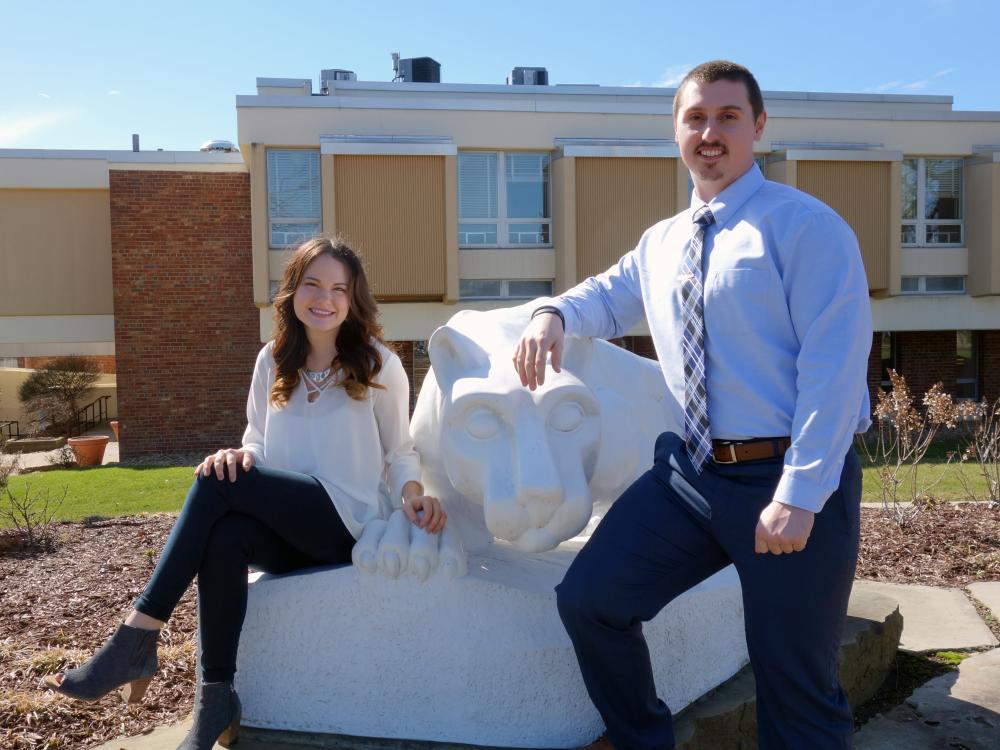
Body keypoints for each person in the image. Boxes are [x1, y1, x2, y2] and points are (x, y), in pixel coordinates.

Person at [513, 60, 872, 750]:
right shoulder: (663, 241)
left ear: (759, 127)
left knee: (795, 687)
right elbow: (603, 296)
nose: (711, 132)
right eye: (696, 118)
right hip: (692, 477)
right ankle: (642, 738)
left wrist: (801, 493)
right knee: (591, 601)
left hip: (787, 481)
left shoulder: (805, 228)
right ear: (676, 131)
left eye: (728, 116)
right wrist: (550, 314)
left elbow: (834, 369)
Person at [39, 236, 446, 750]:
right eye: (313, 284)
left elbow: (401, 450)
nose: (325, 298)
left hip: (347, 524)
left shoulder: (376, 363)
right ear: (293, 290)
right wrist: (241, 456)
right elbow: (257, 437)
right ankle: (216, 697)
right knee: (226, 532)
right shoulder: (273, 360)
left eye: (339, 289)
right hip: (284, 533)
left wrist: (413, 495)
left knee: (215, 484)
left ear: (353, 299)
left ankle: (137, 636)